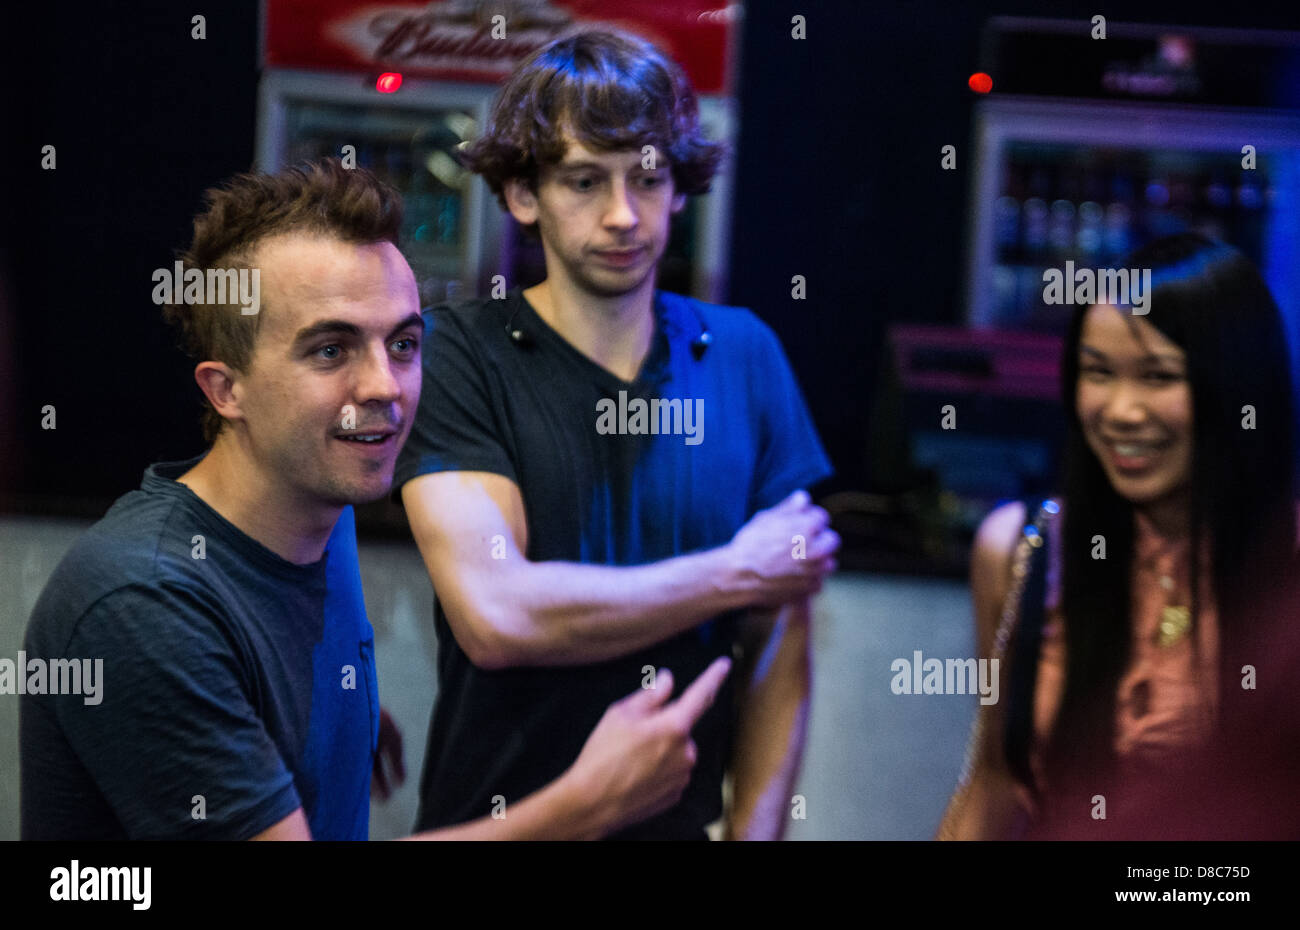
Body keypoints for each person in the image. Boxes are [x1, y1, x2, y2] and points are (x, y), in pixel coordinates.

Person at [19, 159, 731, 841]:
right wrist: (587, 805)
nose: (386, 387)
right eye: (331, 350)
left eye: (404, 344)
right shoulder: (142, 598)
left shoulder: (320, 512)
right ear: (225, 389)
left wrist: (319, 722)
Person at [395, 28, 840, 841]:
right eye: (583, 181)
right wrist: (736, 571)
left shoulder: (744, 353)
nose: (622, 214)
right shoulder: (459, 353)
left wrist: (756, 835)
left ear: (678, 186)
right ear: (524, 195)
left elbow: (780, 637)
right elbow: (498, 616)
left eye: (646, 176)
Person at [937, 232, 1299, 839]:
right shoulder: (1023, 551)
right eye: (1098, 373)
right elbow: (996, 782)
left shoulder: (1286, 567)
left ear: (1237, 387)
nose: (1122, 410)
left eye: (1158, 377)